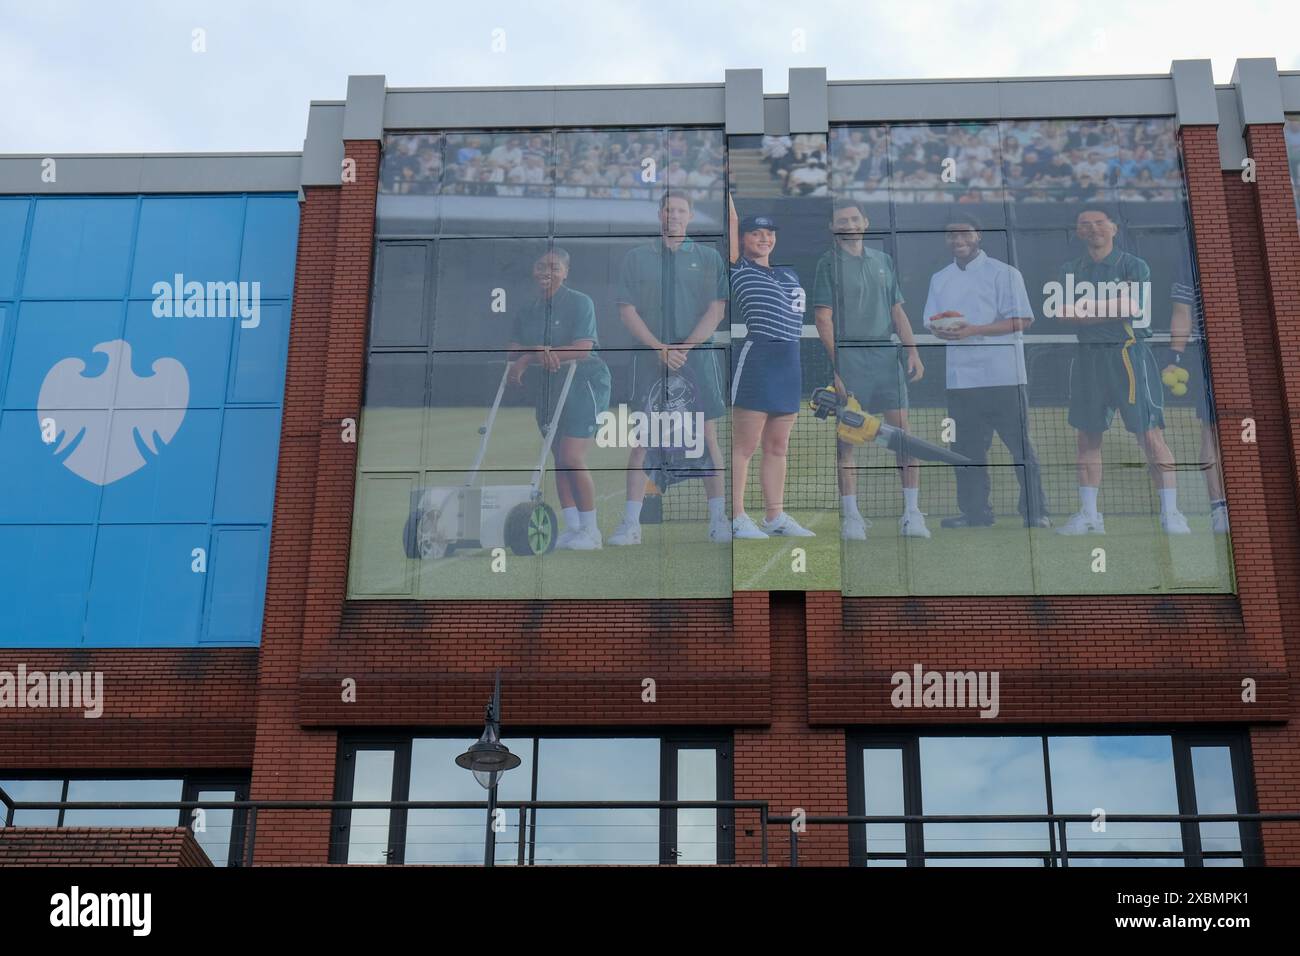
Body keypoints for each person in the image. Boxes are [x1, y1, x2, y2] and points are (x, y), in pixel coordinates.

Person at [1054, 204, 1189, 535]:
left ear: (1114, 228)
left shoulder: (1133, 265)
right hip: (1088, 358)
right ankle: (1089, 516)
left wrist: (1085, 307)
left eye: (1099, 222)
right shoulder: (1071, 268)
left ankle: (1171, 514)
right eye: (1084, 224)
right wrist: (1110, 308)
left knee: (1149, 434)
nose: (1092, 228)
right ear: (1077, 232)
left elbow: (1132, 307)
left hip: (1129, 356)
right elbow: (1061, 312)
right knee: (1087, 437)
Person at [608, 192, 730, 546]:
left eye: (680, 210)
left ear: (690, 215)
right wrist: (660, 348)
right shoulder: (637, 257)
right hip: (649, 360)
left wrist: (684, 348)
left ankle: (718, 520)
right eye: (667, 209)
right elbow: (627, 310)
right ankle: (630, 524)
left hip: (698, 360)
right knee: (643, 440)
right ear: (659, 214)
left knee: (707, 438)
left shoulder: (708, 257)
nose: (673, 215)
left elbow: (716, 310)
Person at [923, 214, 1050, 528]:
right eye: (951, 235)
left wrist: (973, 330)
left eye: (964, 233)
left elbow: (1022, 320)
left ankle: (1036, 514)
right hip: (961, 381)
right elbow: (931, 322)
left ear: (978, 235)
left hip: (1005, 377)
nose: (958, 240)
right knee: (965, 452)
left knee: (1021, 448)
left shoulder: (1005, 273)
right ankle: (975, 514)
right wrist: (944, 330)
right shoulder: (940, 278)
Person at [813, 197, 930, 540]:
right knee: (846, 440)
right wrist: (839, 368)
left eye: (854, 218)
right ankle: (851, 518)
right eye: (841, 220)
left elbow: (897, 311)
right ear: (832, 228)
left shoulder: (883, 260)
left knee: (903, 437)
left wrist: (912, 351)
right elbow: (823, 319)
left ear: (865, 222)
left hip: (885, 360)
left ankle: (912, 514)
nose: (849, 224)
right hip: (850, 360)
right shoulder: (826, 264)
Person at [507, 248, 611, 550]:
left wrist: (532, 357)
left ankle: (591, 532)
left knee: (571, 457)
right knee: (557, 458)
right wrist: (535, 353)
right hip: (548, 387)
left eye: (554, 267)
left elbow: (583, 349)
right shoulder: (527, 309)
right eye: (541, 266)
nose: (546, 272)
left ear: (565, 272)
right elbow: (513, 350)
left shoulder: (580, 302)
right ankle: (573, 527)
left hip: (584, 383)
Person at [726, 198, 815, 539]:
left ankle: (774, 517)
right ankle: (737, 517)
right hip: (759, 358)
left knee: (778, 446)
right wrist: (725, 174)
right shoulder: (739, 268)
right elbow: (731, 218)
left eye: (769, 234)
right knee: (744, 447)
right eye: (755, 234)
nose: (764, 239)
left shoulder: (788, 273)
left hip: (790, 362)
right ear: (743, 239)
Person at [1167, 255, 1229, 533]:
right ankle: (1220, 510)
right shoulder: (1190, 261)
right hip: (1214, 359)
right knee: (1211, 431)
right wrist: (1175, 357)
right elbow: (1183, 312)